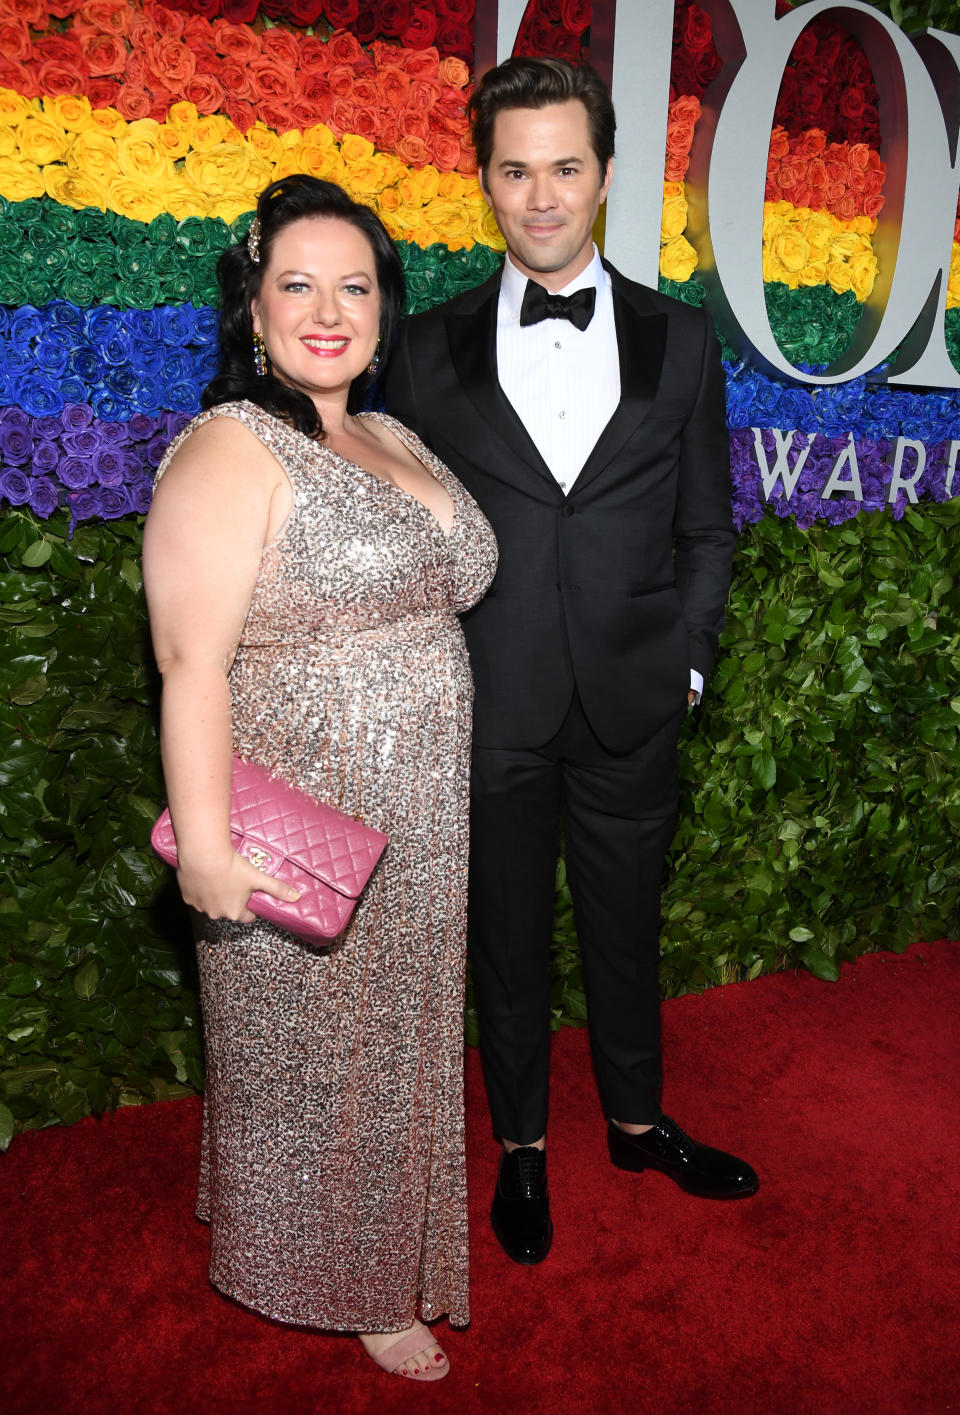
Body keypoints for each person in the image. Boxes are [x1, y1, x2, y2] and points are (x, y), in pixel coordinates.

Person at [385, 57, 758, 1268]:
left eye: (565, 167)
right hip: (487, 706)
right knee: (504, 935)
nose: (540, 197)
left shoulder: (682, 339)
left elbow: (709, 523)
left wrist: (689, 664)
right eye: (513, 169)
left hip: (637, 697)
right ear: (483, 179)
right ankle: (524, 1147)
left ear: (603, 174)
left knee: (626, 926)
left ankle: (641, 1124)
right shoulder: (426, 351)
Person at [142, 175, 497, 1377]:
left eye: (355, 286)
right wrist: (207, 852)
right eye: (297, 284)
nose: (328, 310)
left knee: (392, 1045)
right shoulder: (231, 446)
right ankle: (346, 1277)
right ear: (253, 309)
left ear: (385, 310)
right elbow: (191, 664)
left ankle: (364, 1235)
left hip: (424, 816)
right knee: (304, 1055)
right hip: (301, 816)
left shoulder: (386, 434)